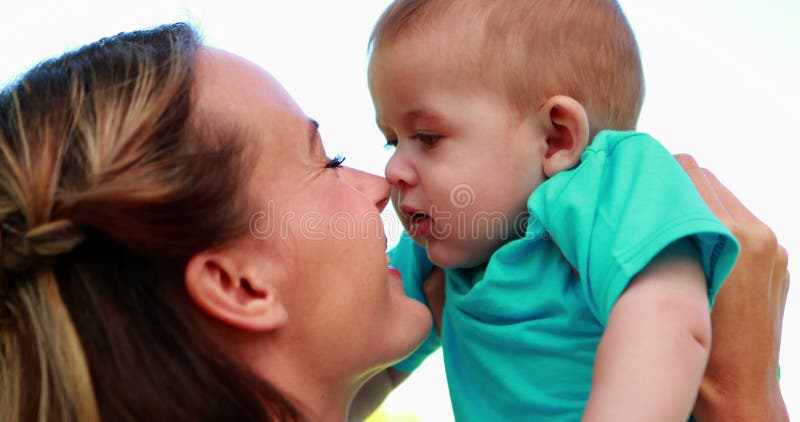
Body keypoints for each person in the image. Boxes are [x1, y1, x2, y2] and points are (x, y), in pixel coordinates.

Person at [0, 22, 788, 422]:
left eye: (426, 138)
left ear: (556, 138)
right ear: (241, 283)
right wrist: (746, 399)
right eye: (327, 159)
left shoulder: (597, 190)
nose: (383, 182)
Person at [365, 0, 768, 420]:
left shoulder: (609, 185)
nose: (393, 170)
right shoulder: (445, 244)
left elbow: (667, 318)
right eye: (392, 141)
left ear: (556, 138)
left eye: (427, 137)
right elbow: (361, 372)